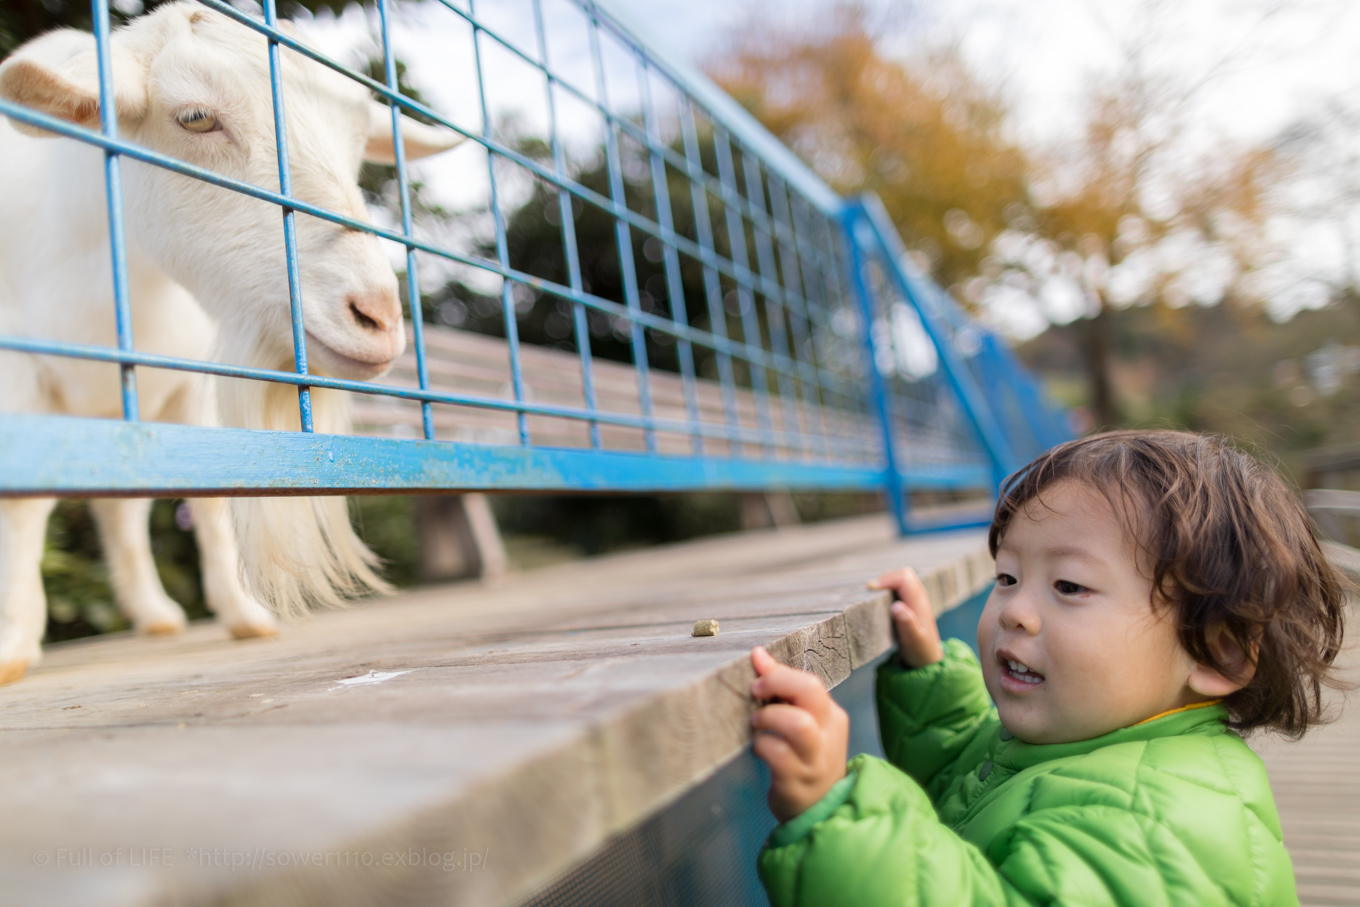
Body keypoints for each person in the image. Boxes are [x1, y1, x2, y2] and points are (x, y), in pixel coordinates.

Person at [748, 430, 1347, 906]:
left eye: (1069, 585)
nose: (1017, 612)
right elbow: (972, 787)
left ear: (1218, 653)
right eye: (1007, 577)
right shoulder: (1086, 733)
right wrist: (930, 676)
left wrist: (837, 817)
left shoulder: (1150, 826)